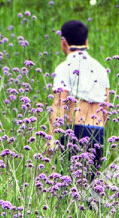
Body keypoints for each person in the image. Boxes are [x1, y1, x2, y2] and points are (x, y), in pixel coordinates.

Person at [46, 20, 111, 201]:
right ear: (87, 42)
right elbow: (106, 108)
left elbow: (59, 104)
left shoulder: (63, 68)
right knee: (90, 196)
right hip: (98, 133)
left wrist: (52, 138)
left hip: (75, 131)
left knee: (66, 195)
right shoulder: (101, 69)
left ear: (63, 42)